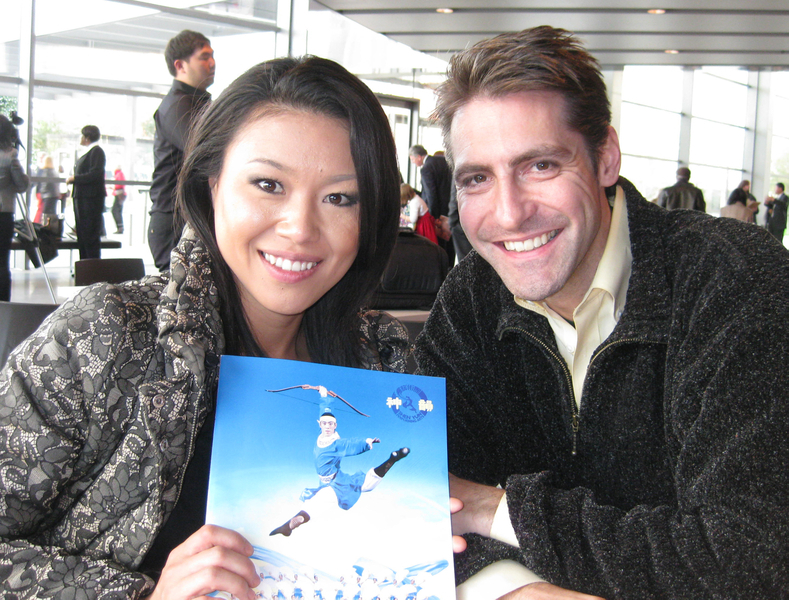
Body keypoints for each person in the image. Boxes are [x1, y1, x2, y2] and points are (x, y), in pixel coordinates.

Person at [0, 55, 409, 600]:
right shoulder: (105, 337)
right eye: (268, 184)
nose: (300, 228)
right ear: (211, 184)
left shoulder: (384, 359)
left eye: (339, 198)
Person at [413, 25, 789, 599]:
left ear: (606, 158)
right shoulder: (472, 297)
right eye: (477, 179)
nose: (509, 214)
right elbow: (423, 503)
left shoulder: (733, 280)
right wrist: (514, 589)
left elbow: (749, 559)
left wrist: (497, 509)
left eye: (540, 165)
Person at [148, 30, 215, 272]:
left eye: (212, 56)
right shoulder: (177, 105)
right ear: (180, 65)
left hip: (189, 219)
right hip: (174, 223)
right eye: (204, 57)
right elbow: (208, 153)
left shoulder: (200, 102)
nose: (212, 63)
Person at [0, 114, 29, 301]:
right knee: (2, 262)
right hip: (3, 214)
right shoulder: (10, 154)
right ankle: (3, 305)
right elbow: (21, 185)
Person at [409, 144, 454, 264]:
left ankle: (442, 268)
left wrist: (434, 217)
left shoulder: (426, 168)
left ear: (419, 157)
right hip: (452, 207)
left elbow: (431, 194)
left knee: (440, 243)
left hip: (439, 211)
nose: (413, 162)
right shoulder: (443, 160)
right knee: (450, 241)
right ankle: (450, 267)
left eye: (412, 159)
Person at [66, 124, 106, 259]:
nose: (81, 138)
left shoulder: (96, 152)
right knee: (82, 234)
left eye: (82, 135)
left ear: (87, 137)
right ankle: (84, 264)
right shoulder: (89, 152)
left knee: (90, 234)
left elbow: (95, 174)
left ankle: (92, 266)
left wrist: (75, 178)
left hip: (90, 199)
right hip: (82, 197)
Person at [112, 165, 127, 233]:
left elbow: (120, 184)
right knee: (117, 211)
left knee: (115, 211)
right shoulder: (120, 174)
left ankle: (120, 227)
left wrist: (115, 187)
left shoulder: (119, 174)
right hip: (120, 194)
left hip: (119, 194)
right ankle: (120, 227)